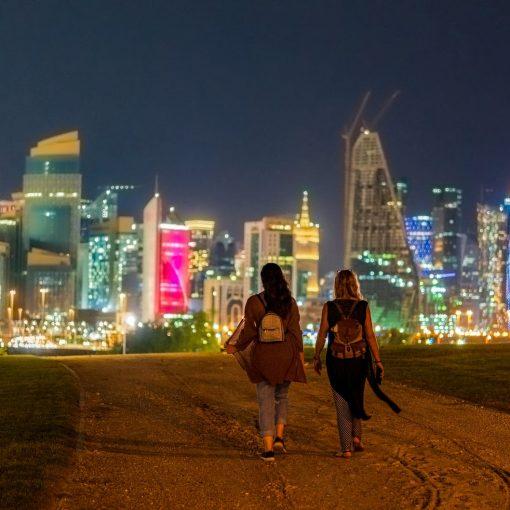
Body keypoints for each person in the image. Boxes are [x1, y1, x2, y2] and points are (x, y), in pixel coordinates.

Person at [226, 263, 306, 462]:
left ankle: (268, 450)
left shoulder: (254, 302)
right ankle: (280, 437)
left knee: (265, 400)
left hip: (263, 355)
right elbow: (296, 333)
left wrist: (235, 346)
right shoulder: (290, 302)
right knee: (282, 395)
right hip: (286, 353)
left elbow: (249, 332)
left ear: (262, 279)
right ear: (281, 278)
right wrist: (300, 356)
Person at [313, 269, 397, 459]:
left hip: (336, 360)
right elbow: (370, 335)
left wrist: (317, 356)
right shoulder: (362, 306)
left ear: (336, 285)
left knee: (342, 402)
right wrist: (378, 361)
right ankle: (357, 438)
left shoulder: (329, 307)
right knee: (356, 396)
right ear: (354, 284)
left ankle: (346, 448)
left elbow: (322, 334)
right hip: (359, 360)